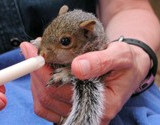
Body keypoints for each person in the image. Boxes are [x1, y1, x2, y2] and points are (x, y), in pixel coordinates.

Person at [1, 0, 160, 125]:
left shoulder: (93, 45)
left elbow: (129, 8)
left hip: (121, 84)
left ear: (87, 33)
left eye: (65, 42)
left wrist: (136, 55)